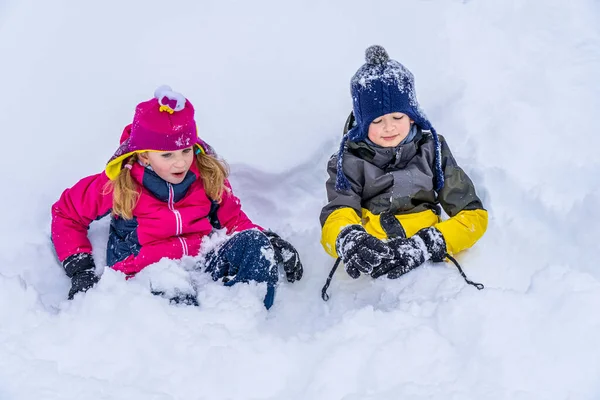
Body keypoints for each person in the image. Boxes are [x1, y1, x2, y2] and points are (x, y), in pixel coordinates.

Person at [51, 86, 303, 309]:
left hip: (201, 261)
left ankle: (249, 319)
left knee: (255, 243)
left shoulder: (205, 175)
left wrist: (268, 240)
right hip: (146, 270)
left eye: (186, 150)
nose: (181, 161)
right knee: (175, 292)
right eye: (167, 155)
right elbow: (66, 213)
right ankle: (191, 344)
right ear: (144, 155)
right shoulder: (120, 184)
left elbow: (234, 221)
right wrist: (80, 270)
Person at [319, 45, 487, 291]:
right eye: (377, 121)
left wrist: (430, 243)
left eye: (397, 117)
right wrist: (348, 238)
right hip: (373, 264)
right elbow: (338, 213)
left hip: (431, 264)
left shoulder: (432, 150)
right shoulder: (349, 161)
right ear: (362, 124)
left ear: (412, 116)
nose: (389, 128)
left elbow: (474, 217)